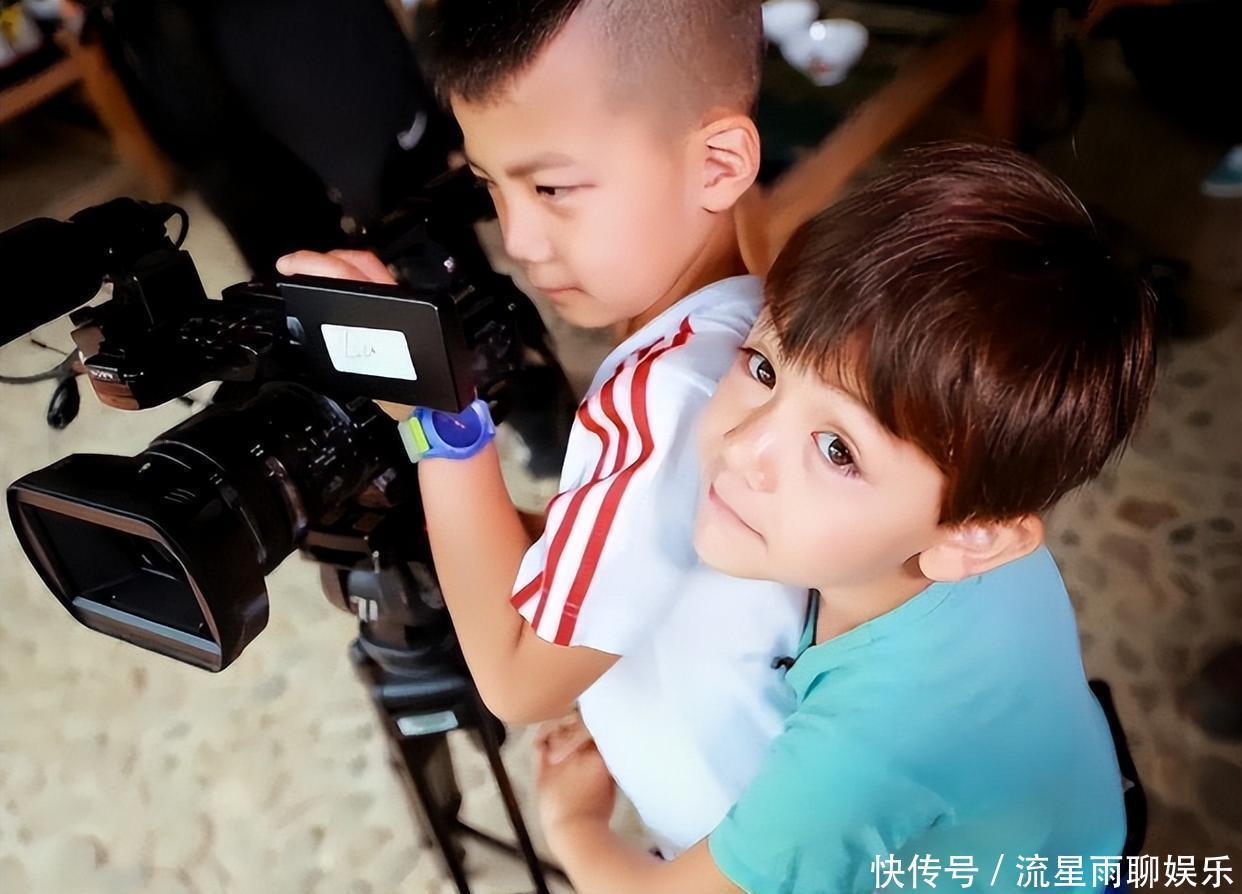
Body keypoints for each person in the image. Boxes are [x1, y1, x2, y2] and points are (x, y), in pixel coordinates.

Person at [534, 143, 1158, 893]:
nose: (744, 446)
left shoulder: (865, 751)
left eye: (837, 450)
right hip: (1083, 818)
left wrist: (574, 825)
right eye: (764, 367)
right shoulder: (973, 516)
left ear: (975, 536)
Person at [276, 0, 808, 856]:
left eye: (553, 188)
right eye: (492, 186)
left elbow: (519, 677)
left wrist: (437, 413)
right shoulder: (748, 330)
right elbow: (626, 556)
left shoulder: (664, 397)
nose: (519, 239)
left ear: (718, 164)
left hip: (738, 852)